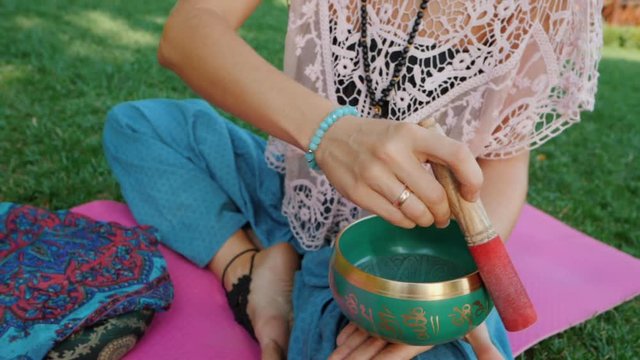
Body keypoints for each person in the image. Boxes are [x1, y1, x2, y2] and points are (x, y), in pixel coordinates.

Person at [102, 0, 601, 359]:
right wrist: (331, 133)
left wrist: (449, 304)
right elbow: (189, 30)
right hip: (292, 189)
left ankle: (291, 275)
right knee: (137, 127)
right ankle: (251, 270)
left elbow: (506, 160)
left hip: (403, 267)